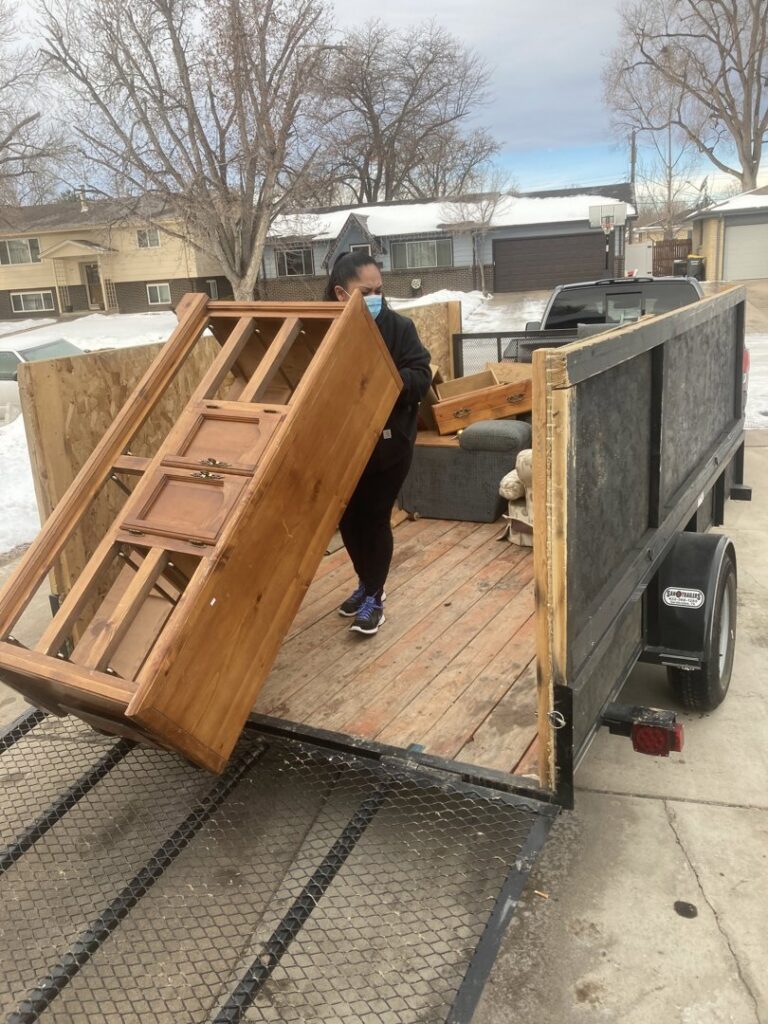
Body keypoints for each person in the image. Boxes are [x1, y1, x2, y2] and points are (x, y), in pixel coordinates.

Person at [324, 251, 431, 636]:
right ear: (340, 293)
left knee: (374, 519)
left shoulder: (398, 328)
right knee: (348, 520)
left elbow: (421, 374)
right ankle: (365, 584)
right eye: (366, 291)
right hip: (345, 446)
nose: (376, 298)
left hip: (389, 446)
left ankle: (375, 598)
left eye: (379, 290)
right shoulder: (323, 327)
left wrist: (382, 380)